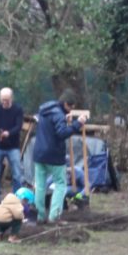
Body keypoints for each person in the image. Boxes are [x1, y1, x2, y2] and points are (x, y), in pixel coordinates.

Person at [32, 89, 86, 225]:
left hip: (39, 154)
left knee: (40, 185)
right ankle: (54, 217)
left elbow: (51, 127)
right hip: (54, 155)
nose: (71, 110)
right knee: (60, 184)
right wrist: (77, 123)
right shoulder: (59, 114)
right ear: (66, 104)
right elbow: (62, 133)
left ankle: (39, 216)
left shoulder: (46, 109)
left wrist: (66, 120)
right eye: (71, 107)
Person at [0, 87, 25, 203]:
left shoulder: (18, 110)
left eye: (7, 100)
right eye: (3, 100)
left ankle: (17, 197)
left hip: (13, 146)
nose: (5, 102)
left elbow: (18, 126)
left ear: (11, 98)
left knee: (17, 173)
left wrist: (9, 133)